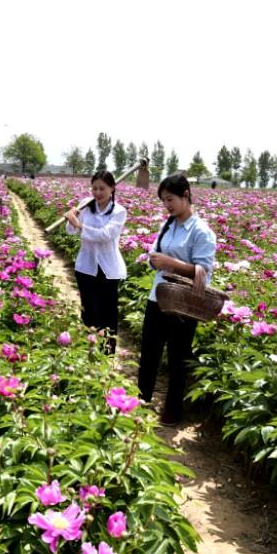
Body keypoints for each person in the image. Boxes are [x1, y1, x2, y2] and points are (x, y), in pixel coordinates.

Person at [138, 173, 217, 425]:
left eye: (170, 199)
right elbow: (155, 253)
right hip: (158, 296)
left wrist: (171, 264)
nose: (167, 205)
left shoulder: (201, 232)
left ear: (186, 195)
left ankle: (172, 412)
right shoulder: (167, 225)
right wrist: (154, 260)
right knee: (149, 353)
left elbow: (203, 272)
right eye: (163, 201)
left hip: (184, 304)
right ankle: (141, 402)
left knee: (177, 358)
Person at [63, 170, 127, 353]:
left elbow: (106, 235)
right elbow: (71, 231)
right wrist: (71, 218)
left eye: (102, 189)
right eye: (95, 188)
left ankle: (106, 354)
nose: (97, 193)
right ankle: (88, 352)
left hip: (108, 269)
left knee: (108, 314)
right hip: (86, 267)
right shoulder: (86, 204)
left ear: (112, 188)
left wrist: (79, 225)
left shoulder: (119, 211)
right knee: (89, 312)